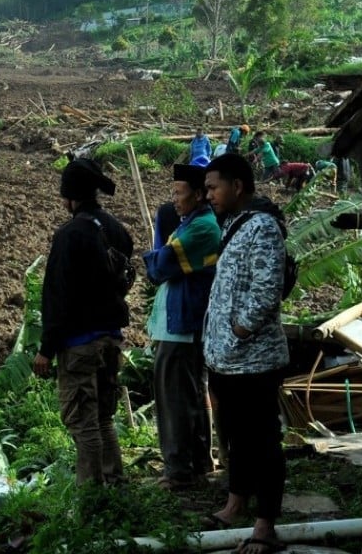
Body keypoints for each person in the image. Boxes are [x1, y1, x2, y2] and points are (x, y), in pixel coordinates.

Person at [202, 154, 290, 554]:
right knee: (236, 436)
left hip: (254, 359)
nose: (208, 196)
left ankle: (265, 523)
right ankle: (236, 501)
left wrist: (240, 329)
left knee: (262, 441)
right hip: (227, 359)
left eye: (213, 187)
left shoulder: (263, 227)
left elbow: (266, 290)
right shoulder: (235, 224)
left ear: (237, 186)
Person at [33, 158, 134, 485]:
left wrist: (46, 349)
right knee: (104, 418)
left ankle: (91, 497)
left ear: (71, 197)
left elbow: (57, 296)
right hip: (111, 339)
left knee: (84, 422)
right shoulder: (117, 230)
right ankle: (114, 485)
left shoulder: (69, 235)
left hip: (80, 345)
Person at [142, 164, 220, 490]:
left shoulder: (202, 227)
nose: (174, 200)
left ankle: (180, 470)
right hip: (177, 323)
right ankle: (197, 463)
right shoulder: (190, 223)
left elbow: (160, 265)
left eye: (179, 193)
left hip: (183, 324)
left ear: (199, 194)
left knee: (175, 398)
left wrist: (155, 258)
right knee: (188, 394)